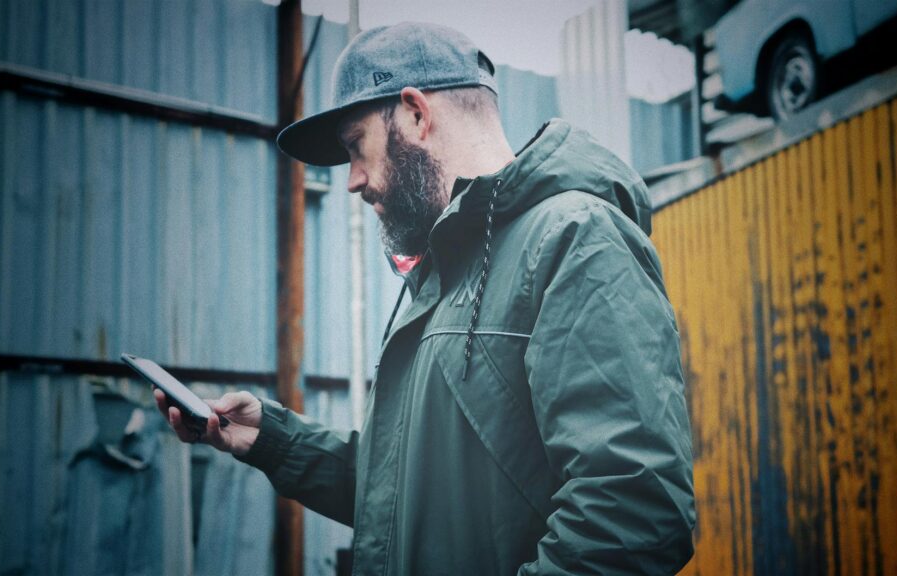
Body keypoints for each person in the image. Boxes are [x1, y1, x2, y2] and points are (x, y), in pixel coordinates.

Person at [156, 21, 696, 575]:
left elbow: (634, 511)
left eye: (355, 147)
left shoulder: (574, 237)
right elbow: (411, 495)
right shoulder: (446, 273)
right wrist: (275, 440)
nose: (353, 180)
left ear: (415, 113)